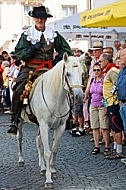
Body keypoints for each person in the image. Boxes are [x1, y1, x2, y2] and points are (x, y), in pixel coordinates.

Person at [7, 6, 71, 135]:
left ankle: (67, 117)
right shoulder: (27, 35)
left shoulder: (54, 34)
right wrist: (31, 49)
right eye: (38, 18)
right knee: (19, 87)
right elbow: (19, 53)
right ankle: (14, 120)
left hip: (49, 67)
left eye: (42, 18)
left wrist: (58, 58)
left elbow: (66, 49)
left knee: (66, 85)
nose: (40, 20)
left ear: (46, 19)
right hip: (31, 67)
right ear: (34, 19)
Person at [99, 53, 125, 159]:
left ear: (106, 61)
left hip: (113, 103)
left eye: (101, 61)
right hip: (109, 103)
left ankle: (119, 151)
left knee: (117, 127)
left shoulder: (113, 71)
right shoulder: (108, 72)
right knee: (113, 128)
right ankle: (115, 148)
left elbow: (119, 86)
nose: (99, 63)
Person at [84, 63, 110, 155]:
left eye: (98, 70)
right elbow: (87, 90)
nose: (96, 72)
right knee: (95, 127)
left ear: (102, 70)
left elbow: (107, 94)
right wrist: (85, 98)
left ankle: (107, 146)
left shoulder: (104, 79)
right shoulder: (91, 80)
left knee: (104, 127)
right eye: (94, 70)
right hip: (93, 105)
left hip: (102, 105)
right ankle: (96, 146)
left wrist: (107, 106)